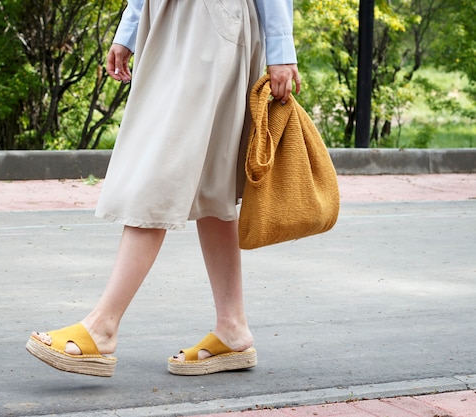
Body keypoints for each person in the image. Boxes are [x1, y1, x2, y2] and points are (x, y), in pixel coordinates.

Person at [26, 0, 301, 377]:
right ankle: (232, 327)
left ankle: (102, 326)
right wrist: (131, 26)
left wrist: (281, 48)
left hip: (211, 23)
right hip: (168, 21)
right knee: (212, 186)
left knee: (159, 170)